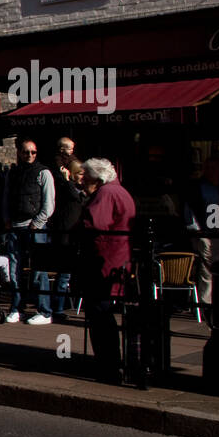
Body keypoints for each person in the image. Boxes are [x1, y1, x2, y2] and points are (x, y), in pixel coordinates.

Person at [77, 158, 135, 384]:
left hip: (104, 262)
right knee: (104, 315)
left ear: (99, 180)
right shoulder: (119, 191)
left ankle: (108, 365)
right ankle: (111, 363)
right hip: (116, 260)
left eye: (87, 178)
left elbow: (93, 224)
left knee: (100, 315)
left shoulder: (106, 194)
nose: (83, 182)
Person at [2, 137, 54, 324]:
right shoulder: (13, 173)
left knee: (39, 269)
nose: (29, 155)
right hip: (15, 225)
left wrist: (38, 223)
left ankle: (44, 310)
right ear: (19, 152)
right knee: (14, 268)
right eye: (26, 152)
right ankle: (17, 307)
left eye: (33, 152)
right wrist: (7, 218)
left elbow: (49, 203)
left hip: (34, 226)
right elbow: (6, 197)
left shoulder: (43, 173)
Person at [184, 157, 219, 306]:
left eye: (217, 168)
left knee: (216, 268)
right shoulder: (199, 187)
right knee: (208, 269)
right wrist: (196, 232)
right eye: (211, 168)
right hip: (205, 234)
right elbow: (188, 211)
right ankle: (206, 303)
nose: (215, 172)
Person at [49, 156, 85, 320]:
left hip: (74, 236)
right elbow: (74, 197)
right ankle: (57, 309)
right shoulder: (66, 188)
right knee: (63, 275)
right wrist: (66, 179)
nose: (82, 177)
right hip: (65, 236)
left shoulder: (79, 190)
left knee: (66, 275)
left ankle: (60, 306)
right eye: (79, 173)